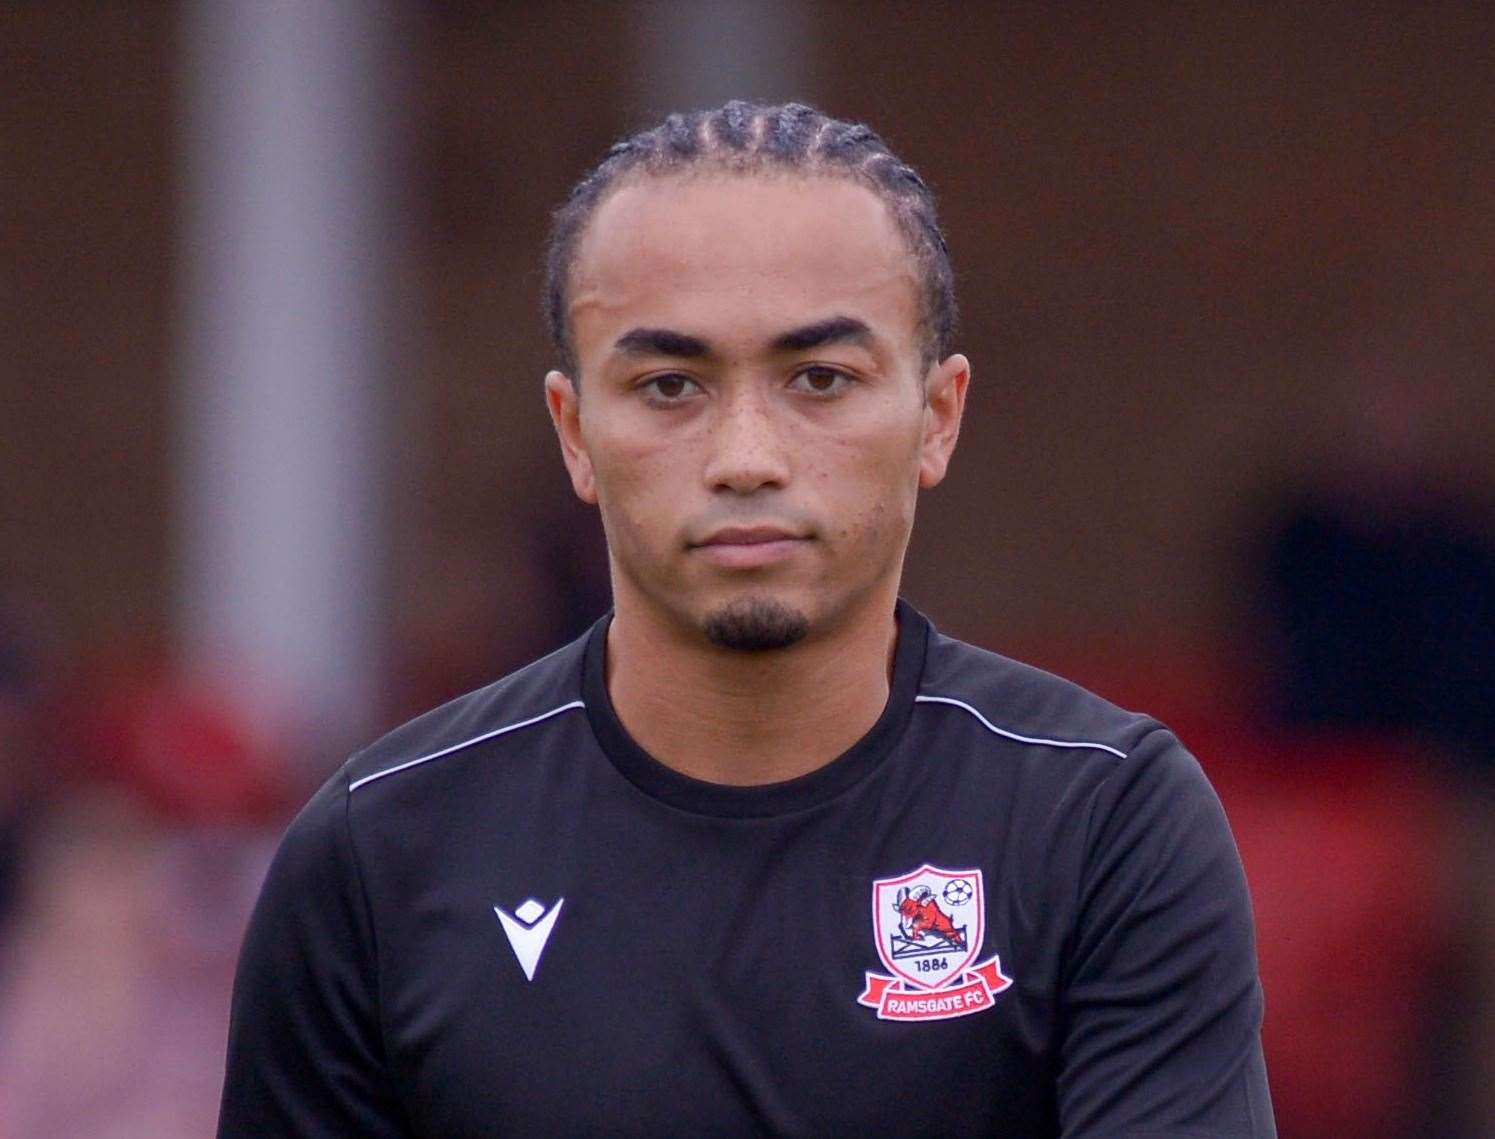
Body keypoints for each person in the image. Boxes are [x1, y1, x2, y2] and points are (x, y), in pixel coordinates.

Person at [218, 101, 1275, 1138]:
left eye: (820, 378)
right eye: (671, 384)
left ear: (935, 416)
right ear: (576, 431)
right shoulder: (380, 852)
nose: (745, 458)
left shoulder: (1101, 822)